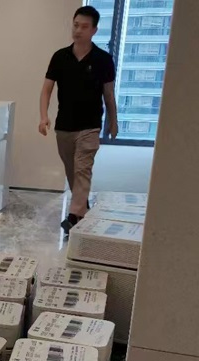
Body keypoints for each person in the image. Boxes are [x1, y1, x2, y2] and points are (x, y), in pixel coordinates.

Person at [39, 6, 118, 235]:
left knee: (83, 169)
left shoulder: (103, 60)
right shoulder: (60, 57)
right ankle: (82, 207)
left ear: (94, 30)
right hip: (64, 126)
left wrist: (113, 121)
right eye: (76, 25)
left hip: (90, 126)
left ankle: (74, 216)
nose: (78, 30)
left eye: (84, 27)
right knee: (72, 171)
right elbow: (46, 90)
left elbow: (109, 95)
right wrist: (44, 116)